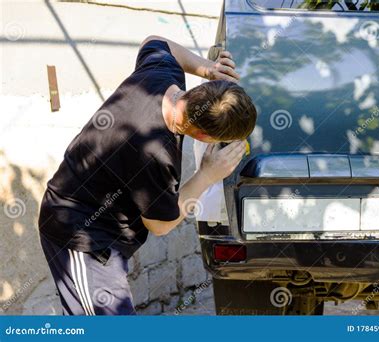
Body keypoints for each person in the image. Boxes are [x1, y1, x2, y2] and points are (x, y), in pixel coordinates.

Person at [38, 35, 257, 315]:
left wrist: (208, 68)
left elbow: (154, 41)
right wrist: (207, 174)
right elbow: (159, 224)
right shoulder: (154, 152)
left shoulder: (162, 75)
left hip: (102, 235)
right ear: (204, 135)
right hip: (81, 236)